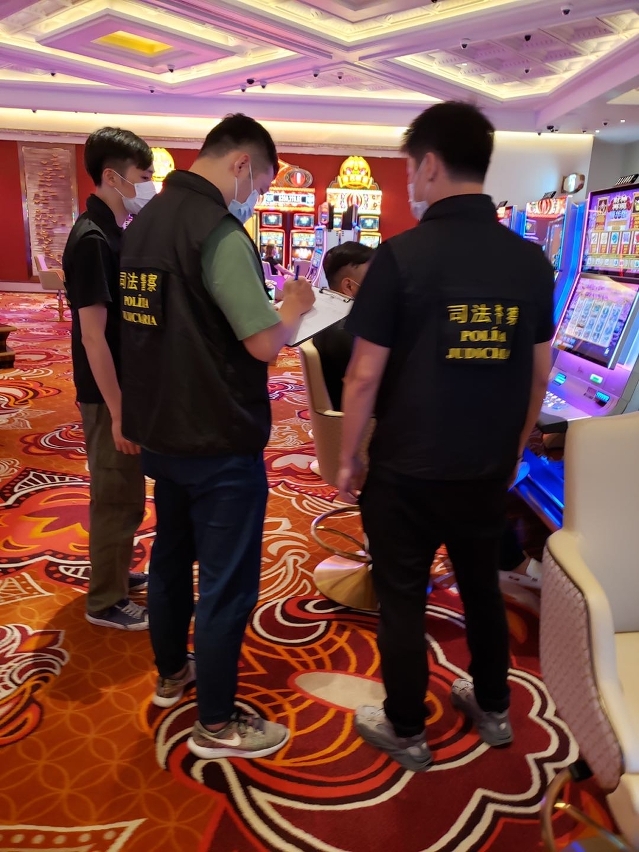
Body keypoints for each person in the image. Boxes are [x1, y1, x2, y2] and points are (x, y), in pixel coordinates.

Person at [336, 101, 554, 771]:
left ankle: (407, 728)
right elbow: (539, 372)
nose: (410, 180)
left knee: (401, 596)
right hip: (486, 468)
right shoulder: (530, 262)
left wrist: (347, 457)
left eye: (410, 168)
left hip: (406, 469)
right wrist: (513, 445)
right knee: (481, 586)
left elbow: (363, 375)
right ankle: (493, 708)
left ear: (429, 165)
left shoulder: (399, 257)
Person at [118, 113, 315, 761]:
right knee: (227, 582)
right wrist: (294, 307)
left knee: (172, 557)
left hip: (162, 427)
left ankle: (172, 672)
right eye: (259, 183)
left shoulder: (145, 221)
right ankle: (218, 721)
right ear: (241, 165)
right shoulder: (218, 231)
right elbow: (261, 343)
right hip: (217, 434)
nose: (254, 195)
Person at [62, 127, 156, 630]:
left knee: (126, 491)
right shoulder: (92, 240)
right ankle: (105, 601)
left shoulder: (114, 232)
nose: (149, 184)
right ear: (113, 177)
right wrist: (119, 412)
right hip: (106, 393)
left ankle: (116, 574)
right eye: (144, 174)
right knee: (117, 494)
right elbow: (93, 337)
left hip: (121, 387)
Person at [312, 241, 374, 410]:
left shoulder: (327, 316)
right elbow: (368, 384)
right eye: (374, 279)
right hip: (360, 416)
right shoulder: (346, 330)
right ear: (349, 286)